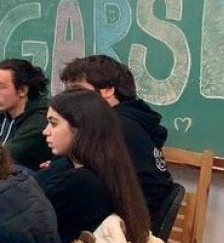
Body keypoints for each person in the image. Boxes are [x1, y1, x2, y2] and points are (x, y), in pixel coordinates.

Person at [59, 55, 175, 226]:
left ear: (107, 91)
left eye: (77, 90)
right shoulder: (135, 119)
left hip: (123, 229)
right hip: (134, 220)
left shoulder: (112, 125)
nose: (69, 98)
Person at [38, 89, 151, 243]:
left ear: (80, 128)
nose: (45, 131)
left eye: (54, 123)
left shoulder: (79, 183)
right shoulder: (112, 171)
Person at [0, 58, 51, 170]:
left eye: (0, 86)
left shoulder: (39, 122)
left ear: (22, 90)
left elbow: (0, 158)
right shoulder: (0, 117)